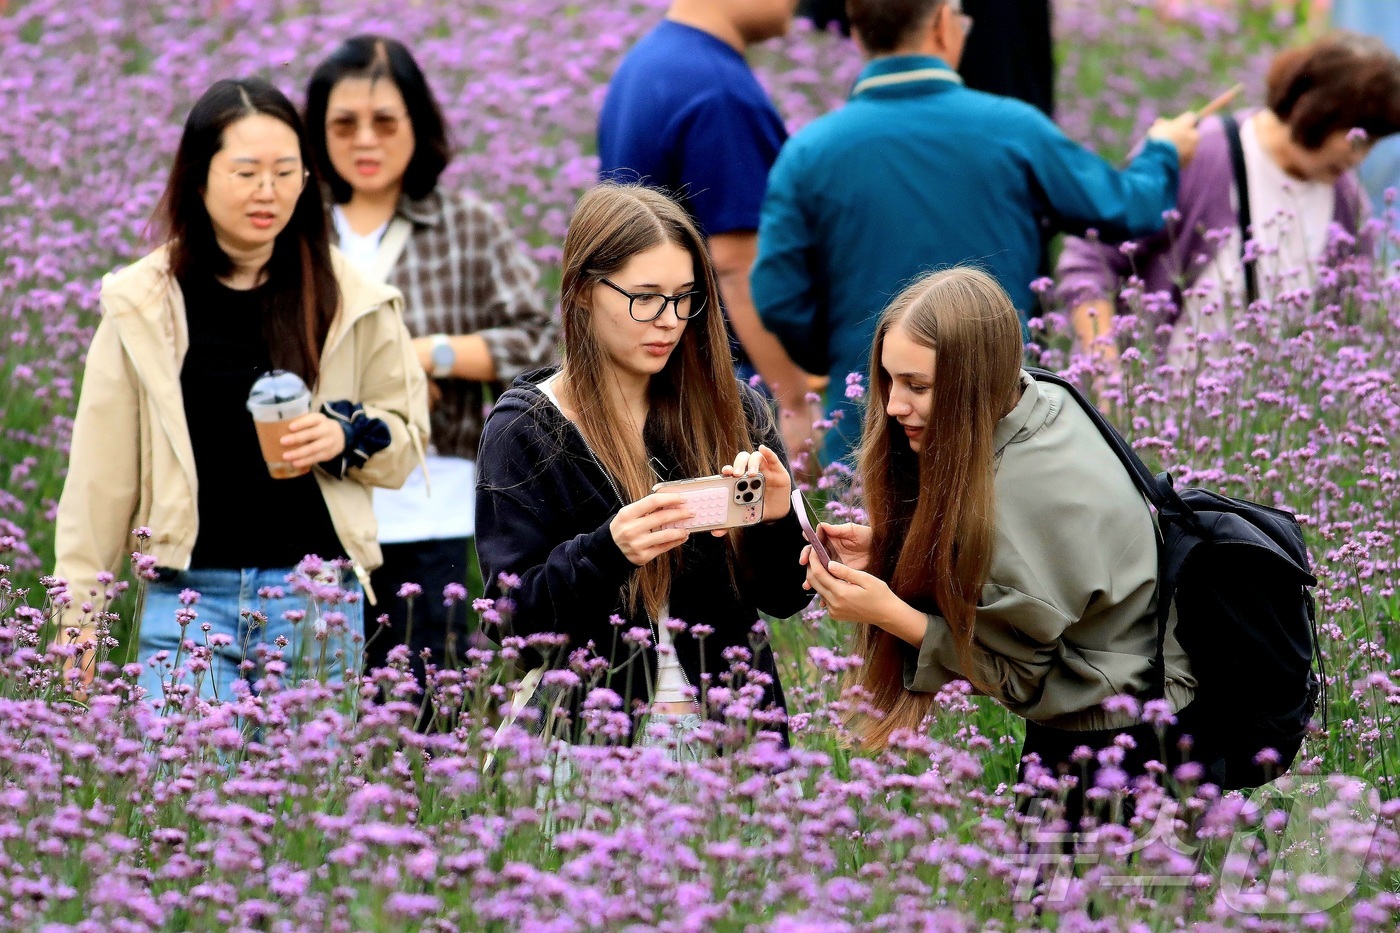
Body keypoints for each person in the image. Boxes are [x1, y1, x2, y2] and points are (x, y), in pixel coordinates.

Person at [53, 78, 430, 705]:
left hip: (316, 598)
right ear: (198, 180)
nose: (268, 192)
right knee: (184, 768)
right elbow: (100, 478)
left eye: (285, 173)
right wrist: (79, 618)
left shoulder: (352, 298)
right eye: (246, 173)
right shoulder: (143, 304)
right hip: (187, 599)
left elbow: (407, 439)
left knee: (311, 774)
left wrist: (343, 436)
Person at [800, 268, 1197, 822]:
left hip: (1119, 748)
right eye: (889, 381)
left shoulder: (1025, 499)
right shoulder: (1039, 398)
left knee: (1074, 882)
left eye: (918, 386)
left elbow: (1020, 677)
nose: (893, 406)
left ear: (975, 379)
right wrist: (891, 556)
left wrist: (889, 613)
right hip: (1142, 704)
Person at [751, 0, 1200, 464]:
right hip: (995, 423)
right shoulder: (1013, 129)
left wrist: (851, 354)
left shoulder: (809, 152)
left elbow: (776, 294)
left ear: (856, 32)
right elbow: (1129, 208)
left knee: (868, 512)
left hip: (872, 424)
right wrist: (1163, 152)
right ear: (942, 24)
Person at [474, 184, 811, 750]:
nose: (669, 321)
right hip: (593, 748)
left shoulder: (733, 410)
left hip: (737, 738)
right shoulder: (527, 429)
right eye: (646, 298)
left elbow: (785, 597)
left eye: (684, 298)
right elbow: (512, 624)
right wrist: (608, 551)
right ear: (583, 290)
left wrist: (777, 521)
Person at [304, 36, 554, 686]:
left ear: (418, 124)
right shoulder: (297, 230)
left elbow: (541, 343)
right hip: (314, 503)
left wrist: (428, 356)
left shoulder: (467, 226)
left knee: (426, 706)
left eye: (385, 122)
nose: (366, 140)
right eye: (344, 124)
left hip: (429, 499)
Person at [1057, 33, 1400, 365]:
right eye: (1357, 139)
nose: (1359, 158)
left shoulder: (1346, 200)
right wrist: (1108, 377)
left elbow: (1352, 315)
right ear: (1317, 111)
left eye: (1372, 144)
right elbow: (1090, 261)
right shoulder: (1198, 154)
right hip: (1156, 391)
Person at [598, 0, 822, 466]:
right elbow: (738, 266)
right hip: (716, 381)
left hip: (659, 368)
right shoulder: (719, 91)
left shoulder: (646, 62)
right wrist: (796, 405)